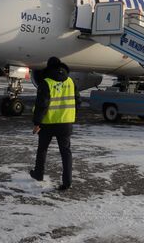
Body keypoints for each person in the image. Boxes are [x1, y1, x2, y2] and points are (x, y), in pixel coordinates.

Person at [29, 57, 81, 190]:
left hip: (48, 123)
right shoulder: (71, 81)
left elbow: (42, 105)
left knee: (43, 149)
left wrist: (37, 123)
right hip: (65, 123)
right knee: (66, 152)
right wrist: (72, 115)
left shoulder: (46, 82)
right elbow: (78, 101)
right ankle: (67, 181)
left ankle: (39, 174)